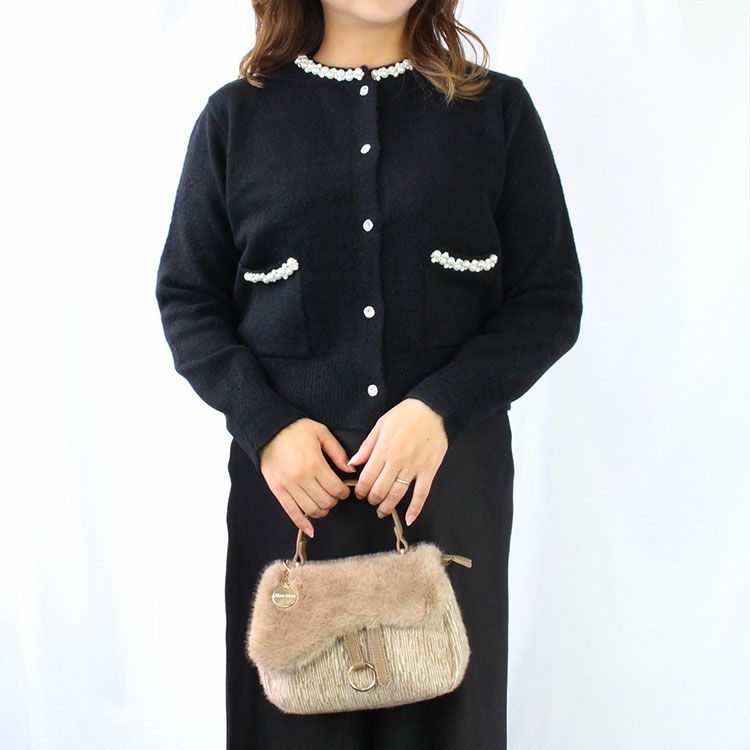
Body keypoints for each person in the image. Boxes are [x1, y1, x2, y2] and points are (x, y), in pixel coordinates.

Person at [155, 0, 583, 747]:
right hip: (292, 501)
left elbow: (548, 302)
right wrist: (268, 427)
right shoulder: (235, 120)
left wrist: (439, 409)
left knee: (448, 726)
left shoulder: (497, 113)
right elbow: (188, 300)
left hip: (447, 493)